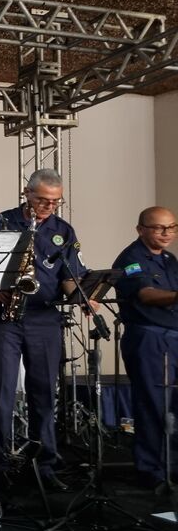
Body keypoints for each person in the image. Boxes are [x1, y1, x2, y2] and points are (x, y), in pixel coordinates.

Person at [0, 168, 87, 493]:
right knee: (1, 392)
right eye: (42, 200)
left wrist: (82, 296)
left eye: (55, 202)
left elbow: (69, 277)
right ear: (26, 193)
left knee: (43, 393)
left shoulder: (63, 230)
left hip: (45, 318)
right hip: (5, 318)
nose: (48, 207)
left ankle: (45, 464)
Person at [113, 207, 178, 490]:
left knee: (174, 406)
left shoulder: (169, 260)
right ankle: (151, 469)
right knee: (153, 404)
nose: (166, 233)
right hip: (149, 338)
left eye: (172, 227)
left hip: (173, 337)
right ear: (141, 229)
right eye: (159, 228)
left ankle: (172, 466)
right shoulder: (131, 259)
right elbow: (147, 295)